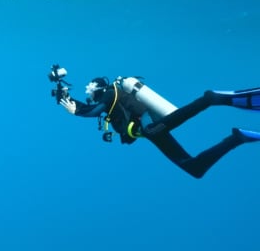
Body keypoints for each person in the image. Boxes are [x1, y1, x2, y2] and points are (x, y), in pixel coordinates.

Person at [56, 72, 260, 178]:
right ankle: (237, 138)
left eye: (90, 86)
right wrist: (65, 97)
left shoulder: (110, 94)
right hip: (148, 131)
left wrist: (75, 112)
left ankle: (210, 99)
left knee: (181, 116)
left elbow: (92, 112)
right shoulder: (108, 99)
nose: (87, 89)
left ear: (98, 87)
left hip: (149, 128)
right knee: (194, 168)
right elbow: (89, 109)